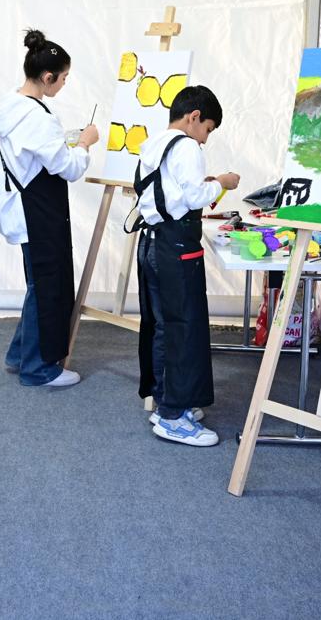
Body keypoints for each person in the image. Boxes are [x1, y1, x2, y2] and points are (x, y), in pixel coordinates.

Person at [0, 29, 100, 387]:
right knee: (47, 286)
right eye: (64, 78)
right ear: (48, 76)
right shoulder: (38, 117)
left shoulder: (10, 106)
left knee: (38, 284)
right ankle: (38, 368)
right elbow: (68, 168)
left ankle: (20, 354)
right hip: (37, 213)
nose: (64, 84)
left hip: (22, 208)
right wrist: (84, 143)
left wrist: (65, 142)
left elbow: (38, 154)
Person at [132, 85, 239, 446]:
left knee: (164, 325)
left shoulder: (155, 142)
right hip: (175, 247)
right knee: (183, 327)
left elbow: (172, 191)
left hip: (152, 243)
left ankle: (168, 400)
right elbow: (193, 196)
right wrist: (221, 183)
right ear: (194, 118)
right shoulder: (188, 146)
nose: (206, 139)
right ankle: (173, 416)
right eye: (208, 128)